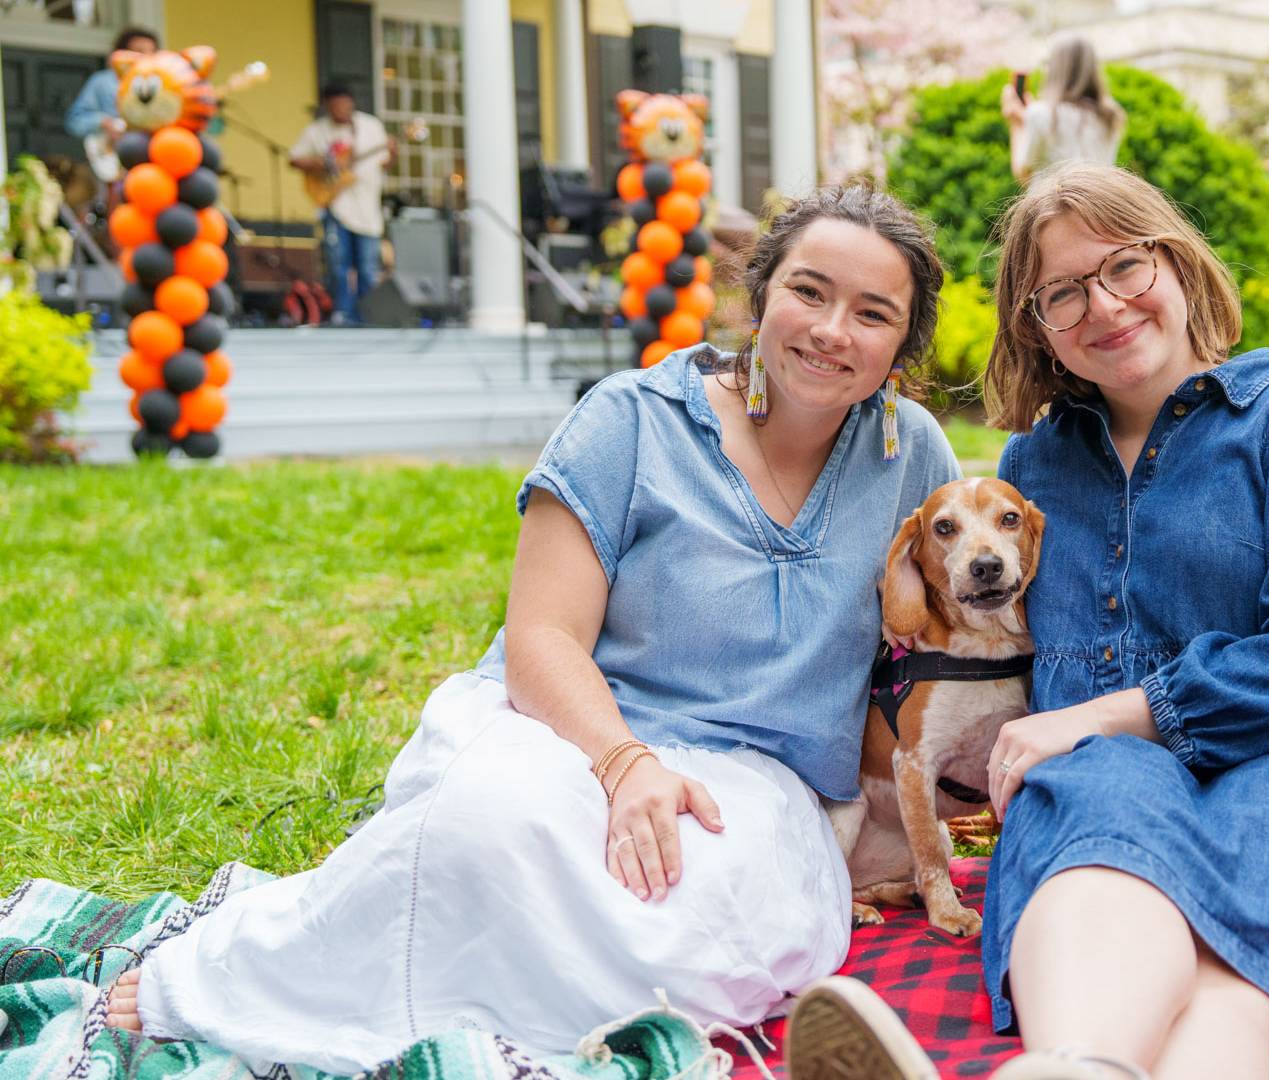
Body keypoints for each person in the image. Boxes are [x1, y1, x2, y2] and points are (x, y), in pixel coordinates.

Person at [103, 186, 964, 1073]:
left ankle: (492, 1038)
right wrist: (627, 767)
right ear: (762, 290)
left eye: (873, 313)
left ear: (904, 342)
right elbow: (542, 637)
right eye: (810, 292)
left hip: (758, 785)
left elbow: (962, 637)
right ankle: (249, 977)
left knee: (686, 940)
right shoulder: (630, 418)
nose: (831, 330)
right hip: (569, 727)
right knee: (486, 834)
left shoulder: (914, 458)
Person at [803, 162, 1269, 1080]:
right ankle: (1078, 1064)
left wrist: (1108, 711)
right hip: (1103, 779)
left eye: (1125, 267)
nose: (1103, 307)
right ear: (1039, 332)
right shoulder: (1031, 465)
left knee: (1229, 981)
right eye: (1061, 295)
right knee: (1100, 813)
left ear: (1180, 265)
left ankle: (1070, 1069)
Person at [291, 84, 394, 325]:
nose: (341, 109)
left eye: (345, 104)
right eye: (335, 105)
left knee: (368, 266)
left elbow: (384, 162)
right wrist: (325, 165)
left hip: (367, 207)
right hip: (336, 206)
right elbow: (295, 159)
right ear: (327, 106)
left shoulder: (370, 127)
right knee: (339, 264)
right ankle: (343, 315)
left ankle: (370, 315)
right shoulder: (317, 131)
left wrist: (393, 153)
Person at [1001, 37, 1127, 184]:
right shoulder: (1109, 114)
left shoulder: (1040, 113)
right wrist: (1027, 117)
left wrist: (1016, 124)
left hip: (1052, 206)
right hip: (1097, 203)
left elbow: (1023, 174)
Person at [64, 26, 160, 149]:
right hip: (114, 154)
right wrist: (104, 122)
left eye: (151, 52)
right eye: (140, 51)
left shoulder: (162, 84)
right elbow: (74, 122)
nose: (146, 57)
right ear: (122, 54)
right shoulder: (102, 81)